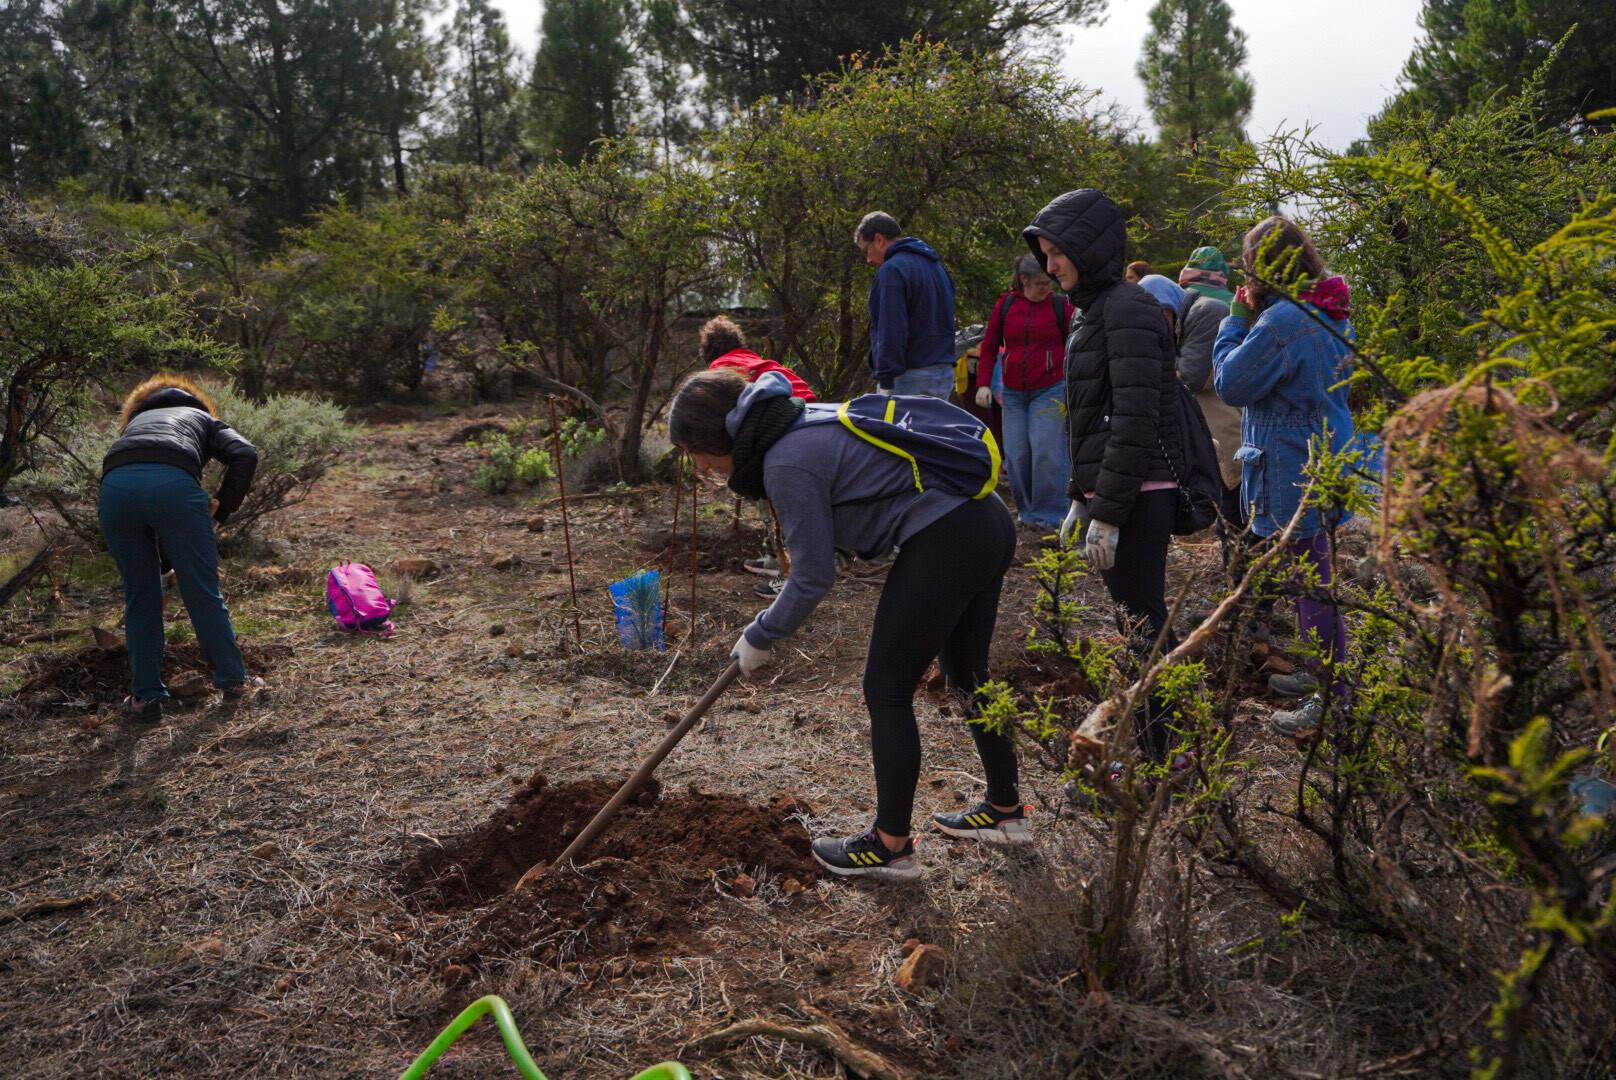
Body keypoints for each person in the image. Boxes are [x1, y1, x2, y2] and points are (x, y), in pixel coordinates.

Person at [668, 369, 1021, 880]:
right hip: (982, 520)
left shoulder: (786, 461)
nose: (699, 466)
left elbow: (812, 577)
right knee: (966, 676)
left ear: (715, 438)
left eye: (694, 452)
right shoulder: (795, 421)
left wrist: (761, 633)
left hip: (950, 535)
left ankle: (890, 846)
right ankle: (1006, 812)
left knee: (887, 689)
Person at [1023, 190, 1187, 762]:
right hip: (1119, 489)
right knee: (1136, 623)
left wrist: (1109, 510)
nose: (1050, 266)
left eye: (1058, 252)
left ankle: (1167, 757)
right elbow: (1094, 414)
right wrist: (1079, 495)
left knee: (1143, 625)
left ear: (1088, 248)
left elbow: (1137, 419)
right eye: (1045, 255)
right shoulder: (1093, 312)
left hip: (1140, 491)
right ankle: (1158, 751)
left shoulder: (1128, 309)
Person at [1212, 216, 1356, 737]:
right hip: (1327, 453)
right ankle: (1324, 679)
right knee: (1314, 580)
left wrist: (1234, 320)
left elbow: (1231, 382)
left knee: (1312, 586)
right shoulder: (1329, 308)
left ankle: (1333, 700)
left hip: (1294, 468)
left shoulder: (1282, 323)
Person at [99, 375, 263, 720]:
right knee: (202, 591)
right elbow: (245, 453)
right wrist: (223, 506)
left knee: (140, 596)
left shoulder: (134, 425)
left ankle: (146, 699)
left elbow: (140, 484)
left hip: (114, 490)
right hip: (174, 485)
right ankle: (233, 681)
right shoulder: (202, 417)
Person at [699, 315, 816, 598]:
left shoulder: (720, 370)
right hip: (814, 422)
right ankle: (776, 559)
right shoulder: (758, 362)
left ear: (708, 351)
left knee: (776, 503)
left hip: (785, 433)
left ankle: (787, 578)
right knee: (778, 502)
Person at [975, 255, 1073, 532]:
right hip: (1014, 393)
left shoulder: (1059, 305)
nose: (1045, 288)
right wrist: (984, 383)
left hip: (1051, 387)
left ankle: (1052, 514)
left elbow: (1076, 341)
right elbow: (990, 345)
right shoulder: (1005, 305)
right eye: (1039, 284)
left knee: (1046, 450)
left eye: (1048, 282)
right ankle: (1027, 512)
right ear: (1024, 280)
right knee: (1017, 454)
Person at [1169, 255, 1244, 529]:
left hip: (1224, 426)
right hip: (1224, 425)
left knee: (1233, 510)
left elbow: (1191, 376)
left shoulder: (1208, 311)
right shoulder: (1218, 307)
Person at [855, 212, 957, 399]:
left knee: (898, 429)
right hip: (943, 373)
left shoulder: (892, 270)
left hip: (909, 378)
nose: (868, 260)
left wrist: (886, 379)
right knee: (933, 429)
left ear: (879, 240)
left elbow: (891, 327)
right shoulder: (936, 267)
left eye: (865, 250)